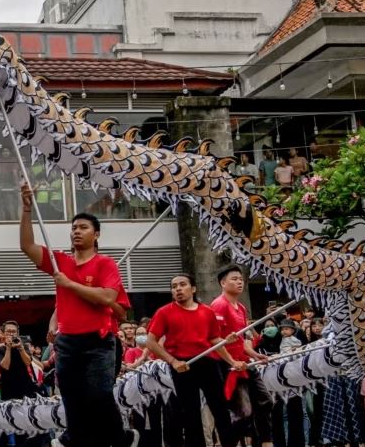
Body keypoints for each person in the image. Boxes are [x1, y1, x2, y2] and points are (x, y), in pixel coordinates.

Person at [19, 183, 137, 447]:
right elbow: (27, 246)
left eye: (83, 227)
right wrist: (26, 209)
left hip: (98, 342)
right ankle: (77, 440)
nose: (76, 232)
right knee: (72, 398)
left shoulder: (105, 264)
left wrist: (70, 284)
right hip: (68, 342)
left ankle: (120, 438)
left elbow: (108, 298)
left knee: (99, 394)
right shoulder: (61, 262)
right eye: (73, 228)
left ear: (96, 234)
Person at [145, 274, 245, 447]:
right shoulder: (164, 312)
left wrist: (231, 358)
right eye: (174, 286)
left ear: (193, 289)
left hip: (207, 362)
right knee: (190, 413)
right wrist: (173, 361)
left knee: (220, 408)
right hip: (182, 365)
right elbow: (150, 342)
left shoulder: (207, 312)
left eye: (182, 285)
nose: (177, 289)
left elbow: (214, 340)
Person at [210, 265, 273, 447]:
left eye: (241, 279)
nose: (239, 282)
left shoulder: (242, 308)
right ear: (223, 283)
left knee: (265, 401)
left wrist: (255, 355)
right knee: (243, 412)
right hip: (228, 366)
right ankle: (227, 442)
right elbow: (215, 340)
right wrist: (231, 361)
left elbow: (242, 340)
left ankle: (265, 441)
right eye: (234, 279)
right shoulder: (219, 305)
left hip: (245, 362)